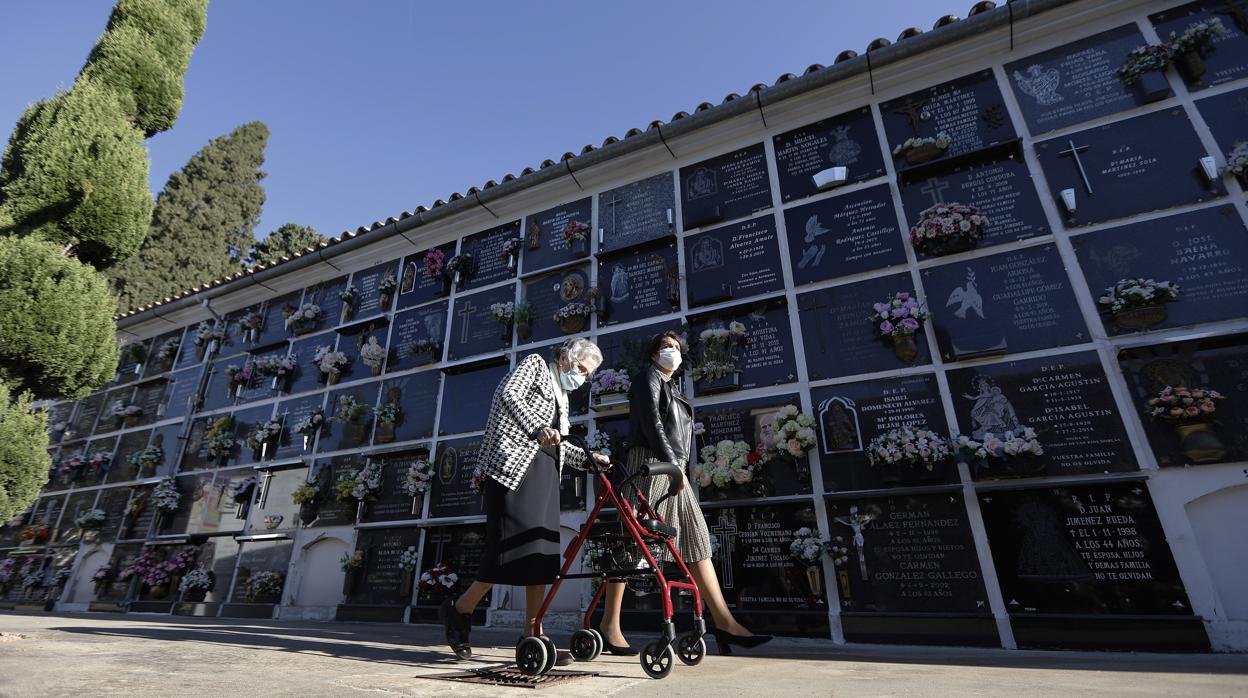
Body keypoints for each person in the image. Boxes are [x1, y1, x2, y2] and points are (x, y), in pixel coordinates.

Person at [597, 330, 771, 656]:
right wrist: (672, 463)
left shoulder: (673, 389)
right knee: (638, 542)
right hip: (651, 463)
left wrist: (677, 466)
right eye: (665, 347)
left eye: (676, 348)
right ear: (653, 355)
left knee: (697, 538)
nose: (671, 352)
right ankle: (609, 624)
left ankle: (723, 620)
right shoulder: (646, 378)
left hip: (672, 466)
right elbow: (652, 424)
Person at [439, 338, 610, 661]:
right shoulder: (534, 364)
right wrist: (537, 427)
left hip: (544, 474)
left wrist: (589, 458)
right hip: (511, 471)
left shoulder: (563, 396)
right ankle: (460, 609)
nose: (582, 378)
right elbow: (508, 395)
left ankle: (532, 635)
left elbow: (557, 443)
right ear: (564, 357)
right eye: (581, 369)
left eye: (587, 375)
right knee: (508, 549)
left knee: (541, 552)